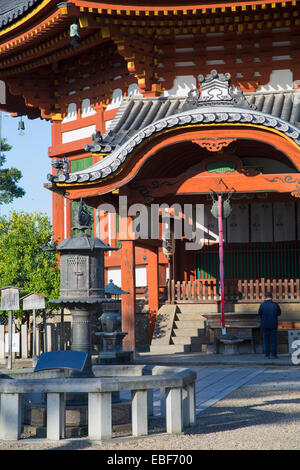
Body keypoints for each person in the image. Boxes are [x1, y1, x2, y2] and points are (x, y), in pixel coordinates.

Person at [258, 292, 281, 358]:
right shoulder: (275, 304)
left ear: (265, 297)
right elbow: (279, 313)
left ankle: (267, 353)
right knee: (274, 339)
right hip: (273, 323)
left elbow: (259, 313)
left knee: (266, 339)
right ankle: (274, 354)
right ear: (272, 296)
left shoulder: (262, 304)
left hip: (265, 323)